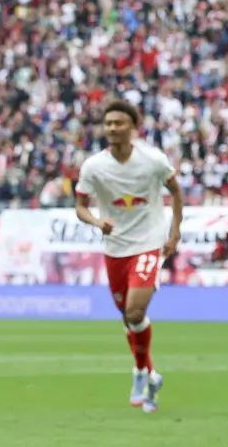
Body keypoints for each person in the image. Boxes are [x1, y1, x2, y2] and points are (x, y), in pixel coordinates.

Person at [74, 101, 183, 413]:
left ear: (133, 127)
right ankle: (149, 374)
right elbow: (80, 206)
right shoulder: (94, 166)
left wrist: (174, 234)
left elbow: (176, 192)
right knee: (127, 318)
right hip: (115, 247)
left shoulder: (153, 160)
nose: (112, 128)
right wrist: (97, 222)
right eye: (108, 123)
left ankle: (139, 373)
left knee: (135, 313)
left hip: (148, 243)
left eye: (119, 122)